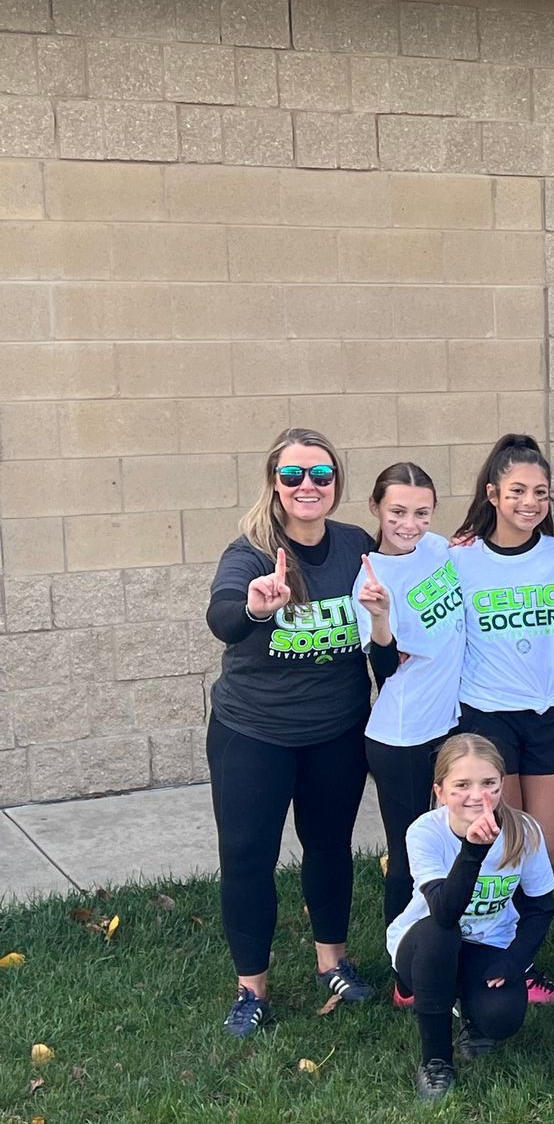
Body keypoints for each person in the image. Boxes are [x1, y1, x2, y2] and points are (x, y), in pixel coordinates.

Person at [205, 427, 375, 1037]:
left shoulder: (356, 544)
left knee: (329, 845)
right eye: (294, 475)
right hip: (254, 732)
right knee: (248, 857)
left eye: (321, 474)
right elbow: (223, 617)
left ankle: (333, 962)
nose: (309, 485)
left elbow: (408, 570)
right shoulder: (250, 553)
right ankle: (251, 988)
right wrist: (255, 607)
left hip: (337, 728)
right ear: (274, 484)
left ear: (336, 483)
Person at [450, 433, 554, 1007]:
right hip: (486, 718)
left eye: (540, 492)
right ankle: (505, 967)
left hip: (541, 718)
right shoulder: (460, 558)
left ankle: (505, 959)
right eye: (517, 491)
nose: (530, 502)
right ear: (493, 494)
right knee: (502, 851)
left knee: (550, 852)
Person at [353, 462, 465, 1010]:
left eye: (422, 512)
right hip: (400, 737)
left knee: (451, 844)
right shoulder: (370, 578)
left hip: (448, 725)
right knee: (407, 854)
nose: (409, 524)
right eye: (397, 512)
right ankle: (405, 971)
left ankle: (449, 944)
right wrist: (381, 619)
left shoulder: (440, 549)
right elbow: (383, 669)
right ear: (376, 508)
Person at [390, 735, 554, 1101]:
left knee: (502, 1017)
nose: (477, 796)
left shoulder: (524, 830)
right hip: (422, 945)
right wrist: (473, 851)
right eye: (462, 785)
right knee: (441, 934)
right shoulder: (425, 832)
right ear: (440, 791)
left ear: (502, 784)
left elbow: (542, 907)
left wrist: (515, 961)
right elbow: (445, 911)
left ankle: (473, 1015)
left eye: (489, 783)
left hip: (487, 943)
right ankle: (436, 1061)